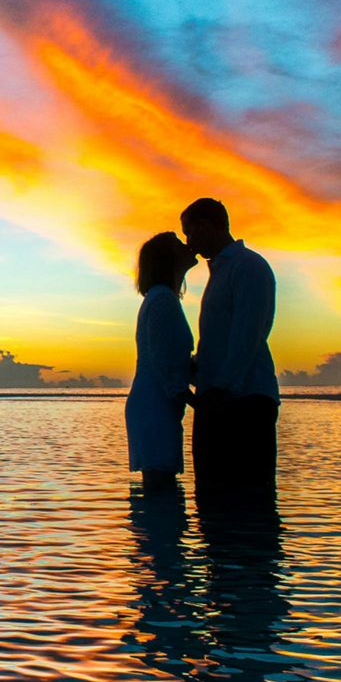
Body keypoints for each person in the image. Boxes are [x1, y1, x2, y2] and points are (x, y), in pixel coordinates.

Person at [180, 198, 280, 495]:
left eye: (190, 233)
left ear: (206, 226)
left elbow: (248, 335)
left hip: (243, 401)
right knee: (212, 499)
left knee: (249, 497)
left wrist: (220, 390)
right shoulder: (222, 271)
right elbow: (221, 340)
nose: (190, 243)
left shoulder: (248, 266)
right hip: (218, 397)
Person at [125, 231, 197, 492]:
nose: (187, 246)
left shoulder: (161, 298)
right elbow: (163, 359)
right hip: (155, 405)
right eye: (179, 243)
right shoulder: (162, 299)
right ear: (169, 258)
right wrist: (197, 401)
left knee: (160, 490)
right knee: (160, 490)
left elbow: (170, 357)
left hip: (156, 403)